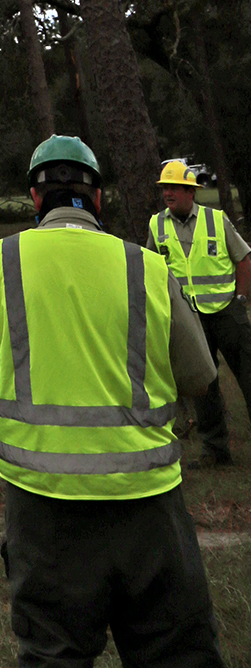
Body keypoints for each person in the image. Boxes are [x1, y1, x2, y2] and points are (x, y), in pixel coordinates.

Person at [0, 133, 225, 667]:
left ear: (33, 198)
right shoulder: (147, 266)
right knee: (177, 655)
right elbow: (200, 378)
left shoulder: (0, 262)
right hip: (149, 509)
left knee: (54, 657)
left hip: (44, 511)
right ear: (97, 198)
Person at [146, 158, 251, 467]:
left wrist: (241, 300)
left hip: (227, 314)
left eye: (174, 187)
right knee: (203, 386)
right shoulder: (157, 224)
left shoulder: (216, 220)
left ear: (190, 191)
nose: (168, 193)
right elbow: (152, 268)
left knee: (248, 375)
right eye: (165, 188)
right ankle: (216, 452)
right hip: (189, 318)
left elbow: (244, 258)